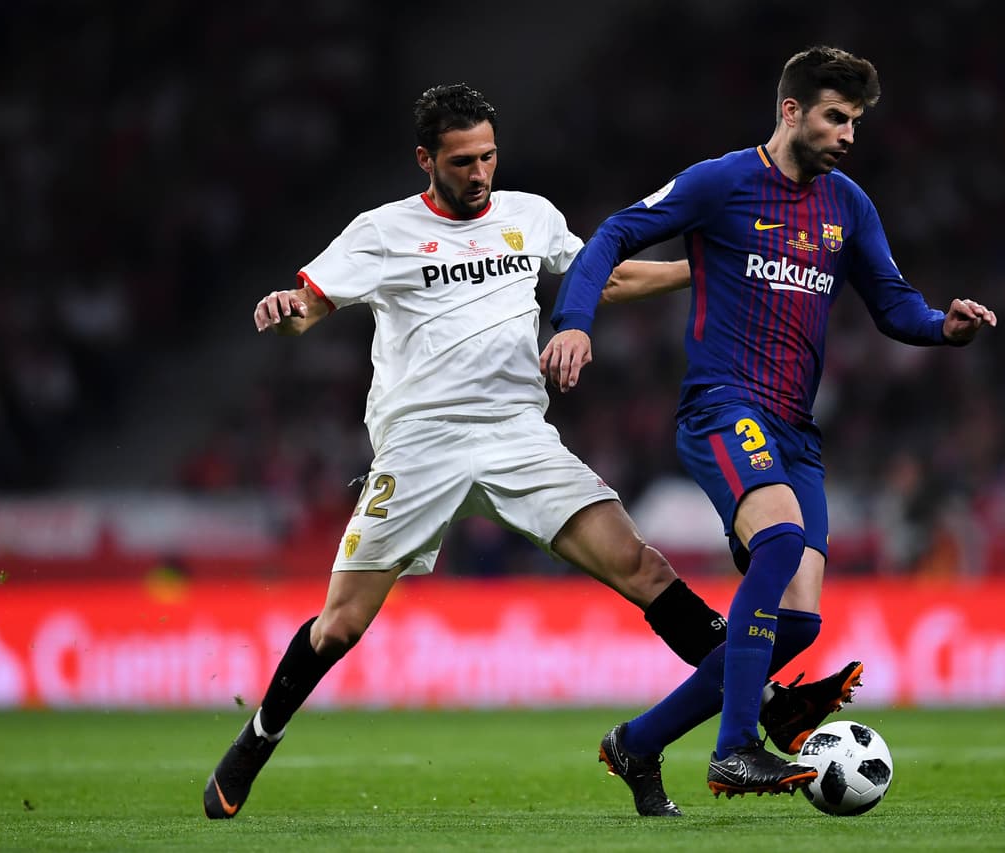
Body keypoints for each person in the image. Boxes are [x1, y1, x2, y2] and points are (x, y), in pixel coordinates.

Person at [202, 83, 855, 820]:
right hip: (421, 443)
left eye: (487, 157)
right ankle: (257, 738)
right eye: (461, 162)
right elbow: (309, 306)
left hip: (518, 434)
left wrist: (705, 269)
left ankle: (763, 711)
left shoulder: (530, 215)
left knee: (645, 569)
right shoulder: (381, 230)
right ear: (426, 159)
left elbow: (598, 278)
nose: (479, 173)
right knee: (342, 623)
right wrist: (286, 312)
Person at [543, 46, 996, 812]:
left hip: (794, 429)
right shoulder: (721, 182)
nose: (850, 133)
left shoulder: (847, 204)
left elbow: (892, 303)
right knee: (780, 541)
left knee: (797, 621)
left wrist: (942, 327)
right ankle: (735, 750)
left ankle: (639, 742)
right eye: (836, 116)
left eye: (855, 121)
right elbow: (616, 233)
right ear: (791, 111)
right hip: (721, 405)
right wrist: (575, 322)